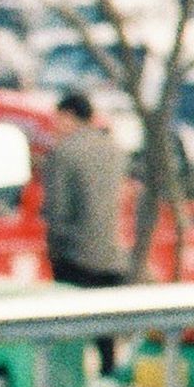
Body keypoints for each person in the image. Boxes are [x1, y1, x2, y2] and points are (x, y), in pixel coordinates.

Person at [39, 91, 134, 288]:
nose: (55, 126)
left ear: (68, 115)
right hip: (113, 258)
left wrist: (54, 251)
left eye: (57, 119)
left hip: (76, 259)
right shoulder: (114, 149)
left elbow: (57, 210)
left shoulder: (64, 152)